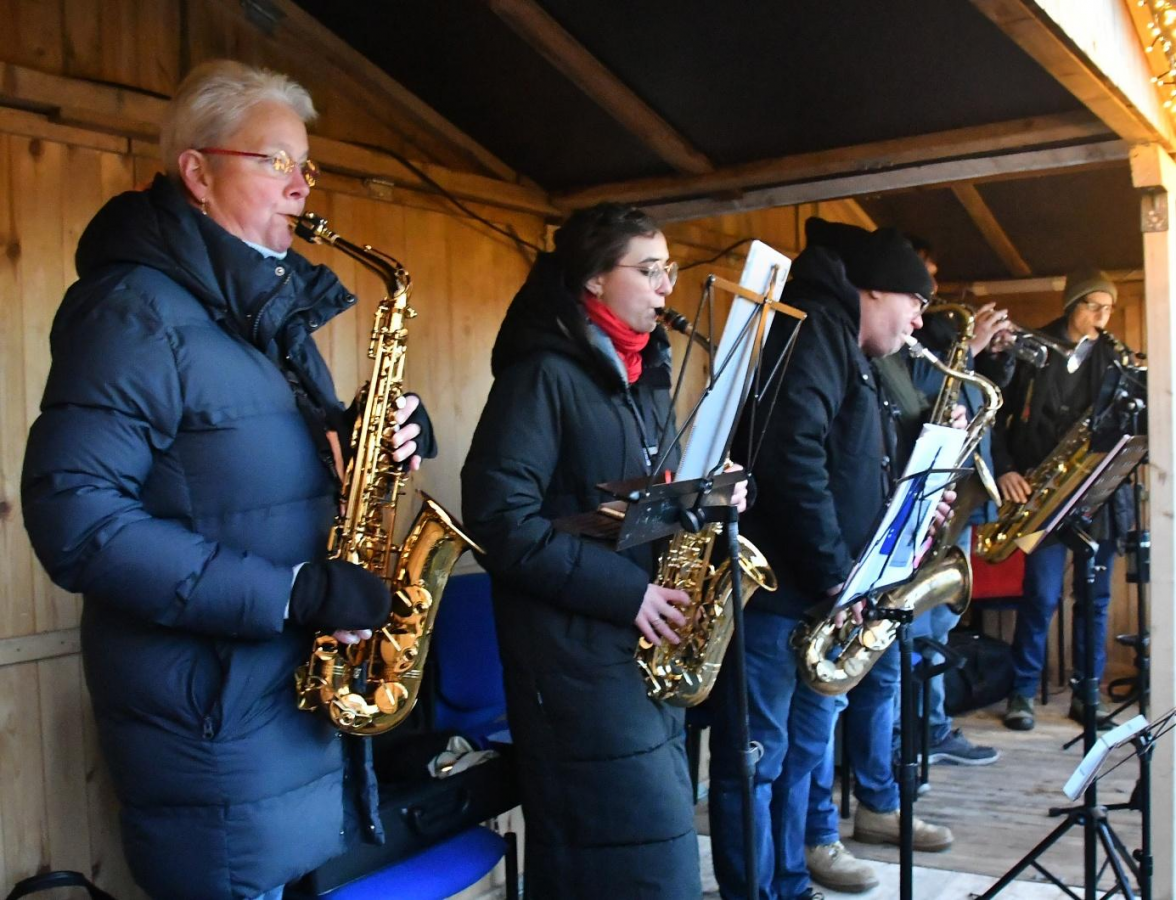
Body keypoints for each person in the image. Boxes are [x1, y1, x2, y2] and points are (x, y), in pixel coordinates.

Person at [21, 60, 434, 900]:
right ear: (197, 173)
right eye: (274, 161)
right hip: (211, 722)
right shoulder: (133, 310)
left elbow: (240, 462)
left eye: (306, 167)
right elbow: (77, 519)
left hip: (276, 713)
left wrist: (367, 438)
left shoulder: (258, 312)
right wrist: (291, 593)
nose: (299, 185)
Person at [461, 203, 745, 898]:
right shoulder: (540, 376)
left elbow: (645, 500)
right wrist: (630, 595)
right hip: (573, 660)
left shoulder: (645, 372)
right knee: (641, 866)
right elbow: (500, 523)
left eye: (669, 270)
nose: (666, 287)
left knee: (642, 853)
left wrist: (710, 496)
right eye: (649, 270)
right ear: (592, 279)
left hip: (637, 654)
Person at [707, 218, 946, 900]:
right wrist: (838, 575)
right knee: (758, 763)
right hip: (787, 596)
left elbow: (840, 463)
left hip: (813, 599)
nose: (919, 325)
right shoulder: (817, 331)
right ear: (877, 290)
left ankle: (788, 885)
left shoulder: (846, 345)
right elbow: (791, 461)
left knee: (798, 759)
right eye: (917, 305)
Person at [994, 269, 1133, 731]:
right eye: (1092, 305)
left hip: (1100, 495)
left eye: (1108, 307)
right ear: (1071, 305)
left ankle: (1085, 694)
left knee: (1094, 600)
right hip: (1043, 491)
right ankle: (1022, 692)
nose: (1102, 315)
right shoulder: (1034, 350)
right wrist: (1005, 467)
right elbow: (995, 412)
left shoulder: (1115, 358)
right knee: (1041, 595)